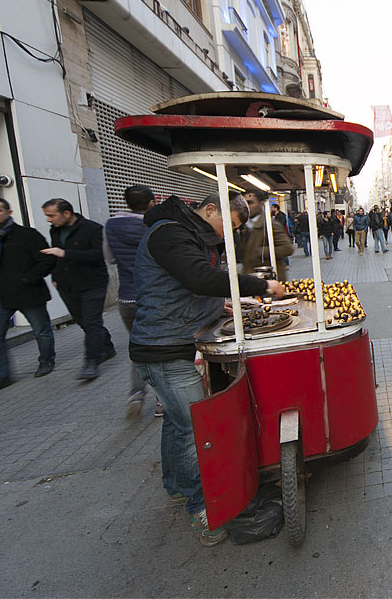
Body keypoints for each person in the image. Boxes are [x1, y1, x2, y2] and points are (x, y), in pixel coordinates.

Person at [130, 193, 284, 546]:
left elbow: (188, 286)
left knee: (176, 422)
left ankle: (178, 487)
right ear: (210, 209)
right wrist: (261, 286)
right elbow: (199, 278)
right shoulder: (170, 233)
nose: (229, 235)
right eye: (228, 226)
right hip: (163, 347)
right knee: (192, 429)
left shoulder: (190, 234)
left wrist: (219, 304)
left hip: (172, 341)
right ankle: (202, 510)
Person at [0, 197, 56, 395]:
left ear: (8, 212)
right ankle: (1, 376)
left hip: (27, 292)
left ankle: (46, 361)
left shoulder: (27, 235)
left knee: (41, 330)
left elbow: (47, 260)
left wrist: (26, 279)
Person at [41, 198, 113, 380]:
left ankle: (91, 361)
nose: (49, 220)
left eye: (51, 215)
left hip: (92, 283)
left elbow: (99, 254)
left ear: (66, 213)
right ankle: (106, 346)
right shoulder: (56, 230)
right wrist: (56, 277)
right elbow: (57, 258)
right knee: (83, 322)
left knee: (91, 321)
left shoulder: (92, 229)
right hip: (67, 284)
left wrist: (65, 253)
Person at [105, 185, 162, 418]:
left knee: (138, 347)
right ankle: (163, 399)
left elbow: (109, 257)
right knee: (162, 349)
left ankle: (136, 393)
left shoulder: (110, 226)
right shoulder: (156, 225)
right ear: (151, 202)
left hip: (127, 298)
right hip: (155, 296)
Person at [242, 191, 294, 278]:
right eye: (244, 203)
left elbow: (288, 248)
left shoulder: (271, 225)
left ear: (261, 204)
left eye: (250, 203)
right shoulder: (246, 226)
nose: (247, 207)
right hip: (252, 278)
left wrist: (261, 252)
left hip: (270, 278)